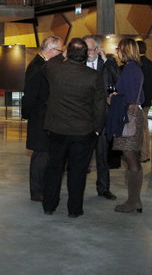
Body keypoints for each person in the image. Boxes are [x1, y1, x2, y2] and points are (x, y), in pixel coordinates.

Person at [42, 38, 106, 218]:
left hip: (57, 130)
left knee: (54, 169)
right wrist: (97, 129)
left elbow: (47, 62)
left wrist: (61, 54)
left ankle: (49, 205)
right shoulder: (93, 76)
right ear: (86, 55)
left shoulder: (54, 70)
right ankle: (74, 209)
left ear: (67, 53)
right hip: (83, 132)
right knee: (77, 172)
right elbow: (99, 106)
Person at [22, 35, 63, 202]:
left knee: (44, 155)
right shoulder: (38, 67)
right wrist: (30, 115)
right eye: (60, 50)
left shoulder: (43, 65)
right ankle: (37, 191)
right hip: (40, 118)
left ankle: (42, 188)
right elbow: (31, 96)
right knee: (41, 155)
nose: (62, 54)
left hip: (44, 117)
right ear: (51, 50)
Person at [106, 38, 145, 213]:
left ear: (125, 50)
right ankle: (134, 200)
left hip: (129, 118)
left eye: (118, 48)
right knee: (133, 157)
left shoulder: (130, 69)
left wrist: (113, 97)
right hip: (135, 116)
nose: (117, 52)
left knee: (130, 158)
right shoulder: (135, 68)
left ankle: (133, 201)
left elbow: (129, 98)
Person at [83, 35, 120, 200]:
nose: (88, 53)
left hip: (102, 118)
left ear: (98, 49)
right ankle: (78, 188)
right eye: (85, 49)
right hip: (82, 118)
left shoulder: (106, 65)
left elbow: (118, 81)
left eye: (91, 49)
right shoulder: (78, 64)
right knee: (80, 157)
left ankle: (104, 188)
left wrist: (106, 60)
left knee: (102, 156)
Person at [137, 40, 151, 163]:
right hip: (147, 100)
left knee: (141, 128)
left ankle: (143, 154)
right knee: (145, 128)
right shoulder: (150, 63)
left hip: (139, 100)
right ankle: (145, 153)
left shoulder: (137, 65)